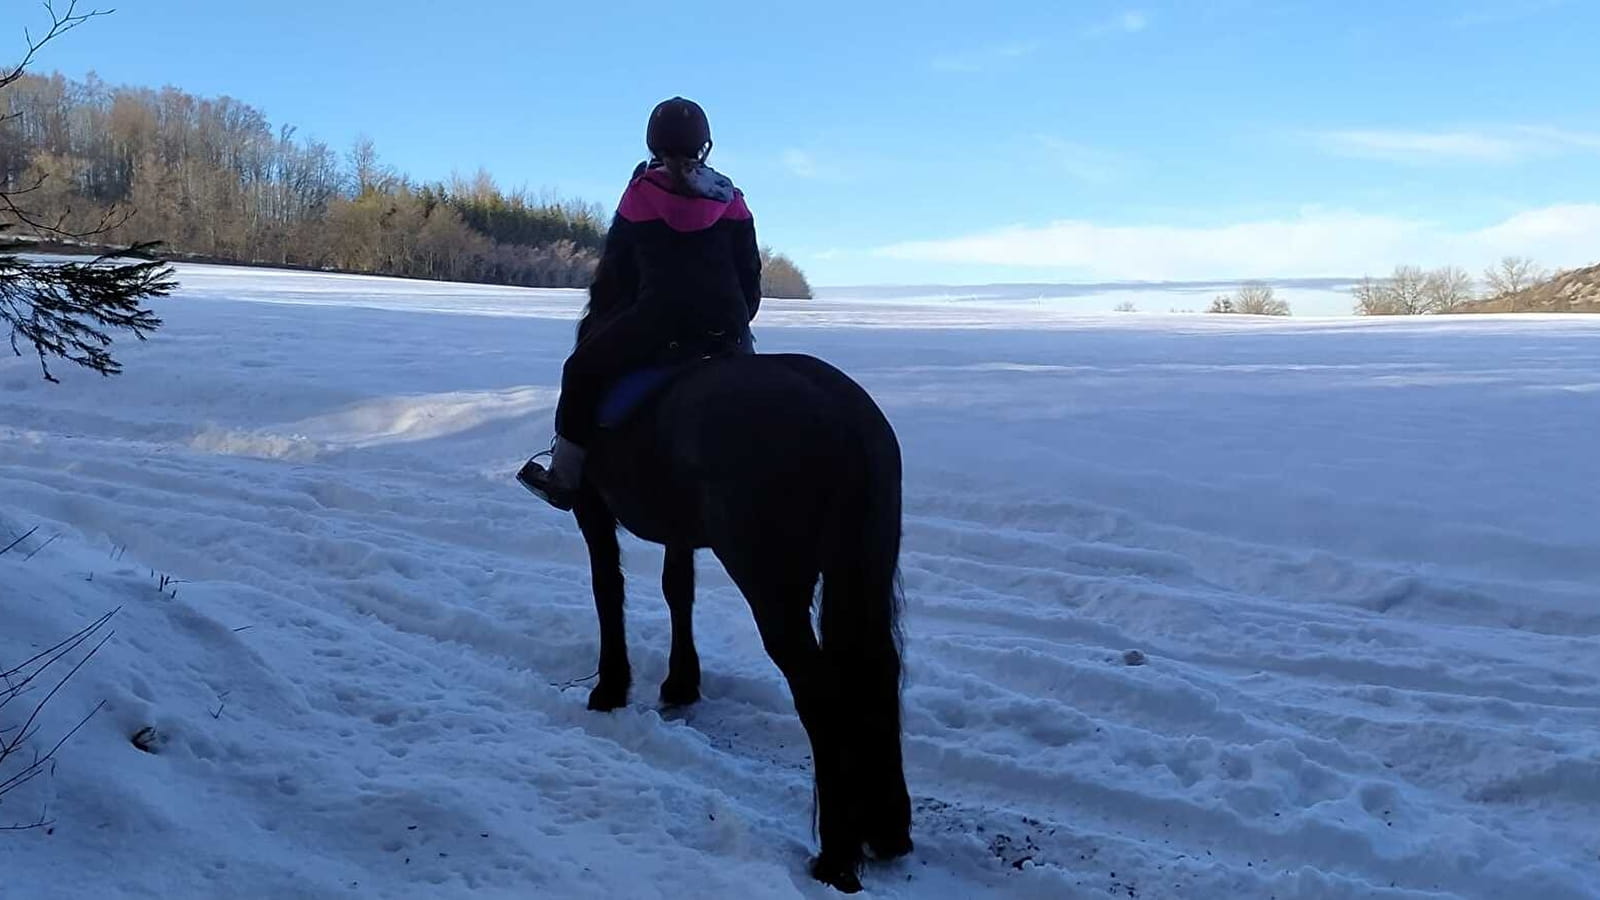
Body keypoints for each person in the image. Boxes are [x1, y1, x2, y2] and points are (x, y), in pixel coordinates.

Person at [518, 97, 762, 511]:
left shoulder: (639, 194)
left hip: (657, 324)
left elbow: (614, 274)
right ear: (705, 146)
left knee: (579, 371)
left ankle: (564, 477)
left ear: (653, 144)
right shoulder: (732, 199)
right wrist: (736, 320)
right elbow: (750, 276)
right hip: (728, 330)